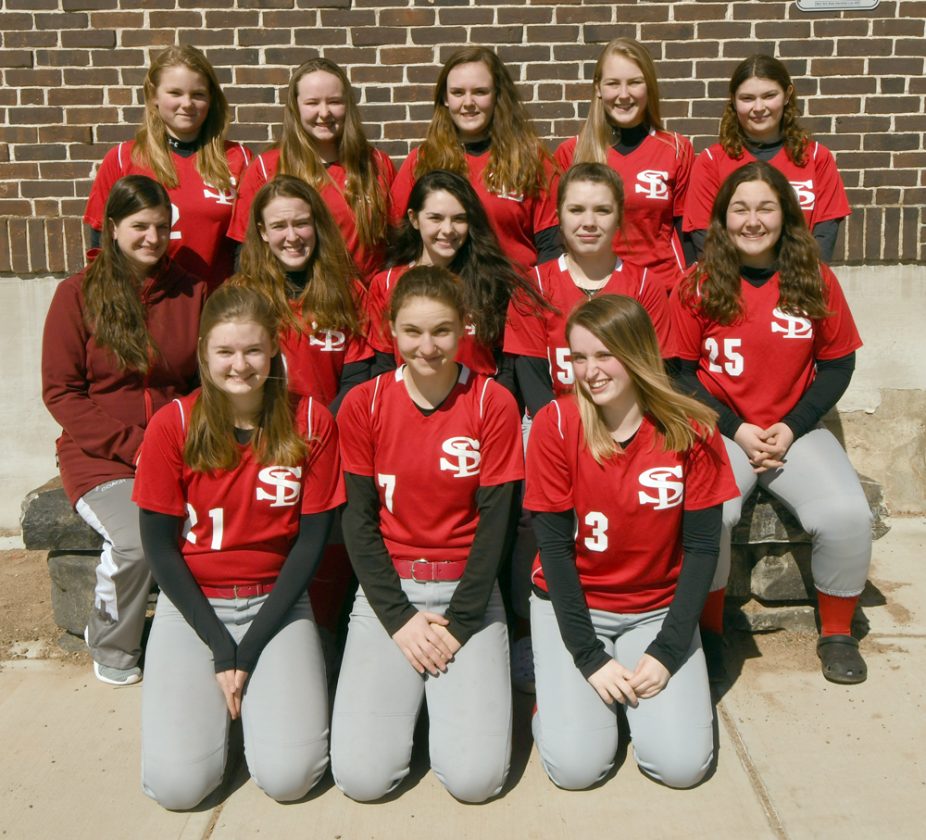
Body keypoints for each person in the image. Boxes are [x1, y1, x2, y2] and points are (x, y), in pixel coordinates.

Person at [132, 284, 343, 809]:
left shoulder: (311, 420)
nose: (240, 364)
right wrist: (220, 648)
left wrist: (246, 652)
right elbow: (159, 548)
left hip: (278, 602)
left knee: (290, 778)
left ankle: (256, 708)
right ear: (204, 352)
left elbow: (311, 542)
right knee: (179, 789)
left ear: (273, 349)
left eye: (252, 349)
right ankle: (214, 722)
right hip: (192, 607)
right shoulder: (174, 423)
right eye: (225, 351)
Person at [525, 294, 737, 789]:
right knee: (577, 769)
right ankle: (555, 699)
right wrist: (587, 655)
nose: (590, 371)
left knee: (681, 767)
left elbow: (703, 549)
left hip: (655, 608)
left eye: (605, 355)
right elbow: (554, 550)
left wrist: (668, 650)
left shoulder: (693, 428)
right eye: (579, 357)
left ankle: (617, 698)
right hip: (574, 606)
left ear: (637, 351)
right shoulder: (556, 424)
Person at [672, 160, 871, 684]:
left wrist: (793, 425)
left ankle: (837, 633)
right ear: (722, 218)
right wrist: (734, 428)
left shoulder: (814, 278)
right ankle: (709, 632)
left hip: (793, 431)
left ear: (786, 215)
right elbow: (677, 371)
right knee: (711, 514)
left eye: (766, 207)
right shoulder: (698, 282)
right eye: (740, 208)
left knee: (847, 513)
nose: (753, 220)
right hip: (721, 429)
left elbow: (838, 364)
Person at [331, 266, 522, 803]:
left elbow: (497, 525)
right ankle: (407, 706)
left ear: (465, 327)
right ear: (391, 330)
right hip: (390, 593)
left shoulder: (491, 402)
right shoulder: (364, 403)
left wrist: (460, 624)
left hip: (469, 594)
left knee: (475, 782)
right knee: (362, 780)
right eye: (412, 331)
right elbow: (358, 522)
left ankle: (440, 706)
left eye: (442, 330)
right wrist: (399, 619)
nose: (428, 346)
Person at [42, 175, 206, 686]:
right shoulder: (76, 295)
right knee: (138, 541)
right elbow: (61, 392)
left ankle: (203, 638)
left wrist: (184, 438)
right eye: (139, 226)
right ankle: (111, 641)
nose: (152, 238)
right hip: (100, 456)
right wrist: (136, 447)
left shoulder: (192, 292)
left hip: (177, 447)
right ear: (113, 227)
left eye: (161, 227)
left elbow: (204, 382)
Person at [506, 162, 673, 419]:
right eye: (576, 210)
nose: (589, 222)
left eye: (602, 210)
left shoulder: (645, 285)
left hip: (628, 421)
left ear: (619, 218)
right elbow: (533, 380)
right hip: (553, 422)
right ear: (559, 216)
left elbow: (654, 376)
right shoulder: (533, 285)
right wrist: (562, 432)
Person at [84, 45, 251, 292]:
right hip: (143, 301)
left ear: (211, 98)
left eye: (198, 94)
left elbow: (249, 246)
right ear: (154, 96)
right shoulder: (122, 158)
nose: (187, 103)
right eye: (175, 93)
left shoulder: (239, 158)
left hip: (217, 304)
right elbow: (100, 244)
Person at [389, 46, 560, 273]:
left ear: (497, 95)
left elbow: (551, 245)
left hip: (513, 291)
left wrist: (539, 291)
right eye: (458, 92)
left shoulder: (531, 158)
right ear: (445, 98)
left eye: (480, 92)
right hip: (444, 291)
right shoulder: (422, 160)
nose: (468, 102)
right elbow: (398, 242)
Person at [229, 58, 394, 284]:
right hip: (292, 301)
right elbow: (245, 254)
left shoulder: (376, 164)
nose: (324, 112)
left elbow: (396, 245)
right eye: (312, 103)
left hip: (364, 302)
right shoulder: (266, 168)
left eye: (334, 101)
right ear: (295, 107)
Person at [555, 37, 694, 295]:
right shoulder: (571, 152)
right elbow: (559, 237)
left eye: (634, 82)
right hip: (594, 293)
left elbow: (687, 234)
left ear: (649, 86)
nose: (624, 94)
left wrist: (685, 289)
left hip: (661, 291)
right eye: (613, 83)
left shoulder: (677, 149)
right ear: (598, 88)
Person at [368, 168, 536, 378]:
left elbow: (507, 368)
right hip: (413, 397)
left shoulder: (492, 280)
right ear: (414, 219)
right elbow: (384, 367)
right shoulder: (386, 284)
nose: (448, 230)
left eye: (459, 219)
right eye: (435, 218)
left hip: (480, 397)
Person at [683, 54, 850, 264]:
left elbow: (824, 236)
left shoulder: (817, 158)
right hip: (731, 280)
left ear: (787, 95)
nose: (759, 107)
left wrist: (798, 278)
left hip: (799, 278)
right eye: (747, 98)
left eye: (769, 96)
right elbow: (705, 238)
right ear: (733, 100)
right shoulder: (711, 162)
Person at [232, 175, 371, 412]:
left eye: (301, 223)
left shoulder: (349, 292)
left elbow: (356, 380)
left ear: (316, 224)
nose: (292, 237)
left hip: (330, 425)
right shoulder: (240, 295)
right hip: (264, 427)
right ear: (263, 231)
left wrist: (320, 424)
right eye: (279, 226)